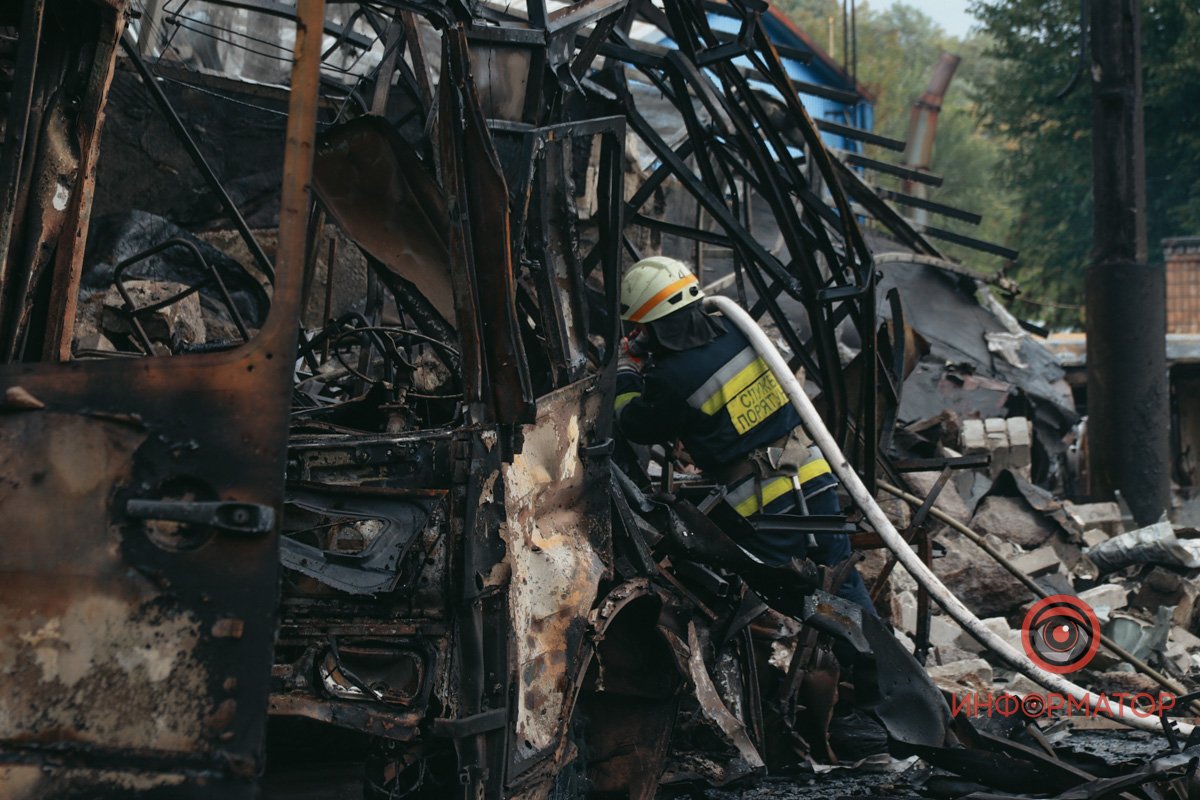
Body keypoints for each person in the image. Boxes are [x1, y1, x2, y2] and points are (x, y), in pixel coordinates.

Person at [614, 255, 874, 613]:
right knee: (842, 584)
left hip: (764, 505)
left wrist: (627, 371)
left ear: (652, 325)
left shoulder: (671, 378)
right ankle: (880, 656)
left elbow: (635, 425)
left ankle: (864, 660)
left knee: (805, 602)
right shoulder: (739, 331)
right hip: (813, 474)